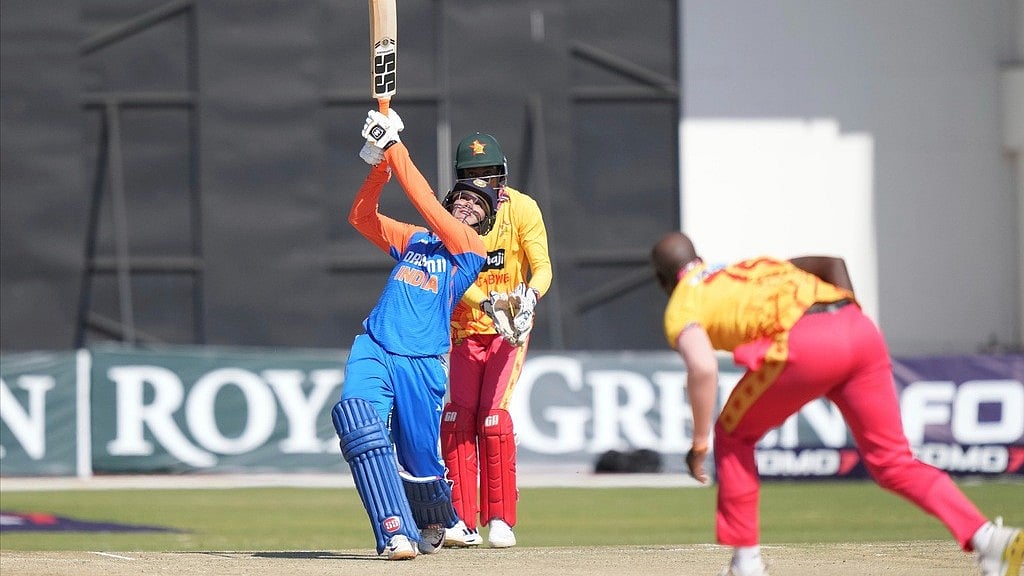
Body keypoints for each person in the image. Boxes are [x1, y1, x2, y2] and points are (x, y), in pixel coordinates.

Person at [650, 231, 1023, 576]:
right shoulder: (747, 267)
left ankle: (746, 564)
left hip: (804, 343)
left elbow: (702, 368)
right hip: (858, 330)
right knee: (894, 462)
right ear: (699, 257)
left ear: (663, 283)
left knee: (732, 435)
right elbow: (833, 264)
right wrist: (844, 336)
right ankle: (990, 540)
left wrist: (699, 444)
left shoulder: (682, 303)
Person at [330, 108, 500, 561]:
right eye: (461, 199)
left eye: (478, 205)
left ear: (483, 222)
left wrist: (394, 147)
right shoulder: (416, 240)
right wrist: (378, 167)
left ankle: (438, 518)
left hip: (423, 363)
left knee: (421, 462)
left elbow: (424, 199)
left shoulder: (470, 250)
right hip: (376, 345)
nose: (467, 205)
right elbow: (362, 218)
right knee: (358, 424)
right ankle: (393, 533)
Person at [441, 132, 552, 549]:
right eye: (472, 175)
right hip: (464, 328)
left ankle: (501, 518)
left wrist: (528, 298)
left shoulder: (522, 208)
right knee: (457, 418)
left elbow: (541, 266)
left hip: (510, 328)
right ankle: (461, 521)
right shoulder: (454, 213)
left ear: (502, 174)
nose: (481, 183)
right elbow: (453, 270)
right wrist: (484, 303)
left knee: (492, 417)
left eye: (489, 174)